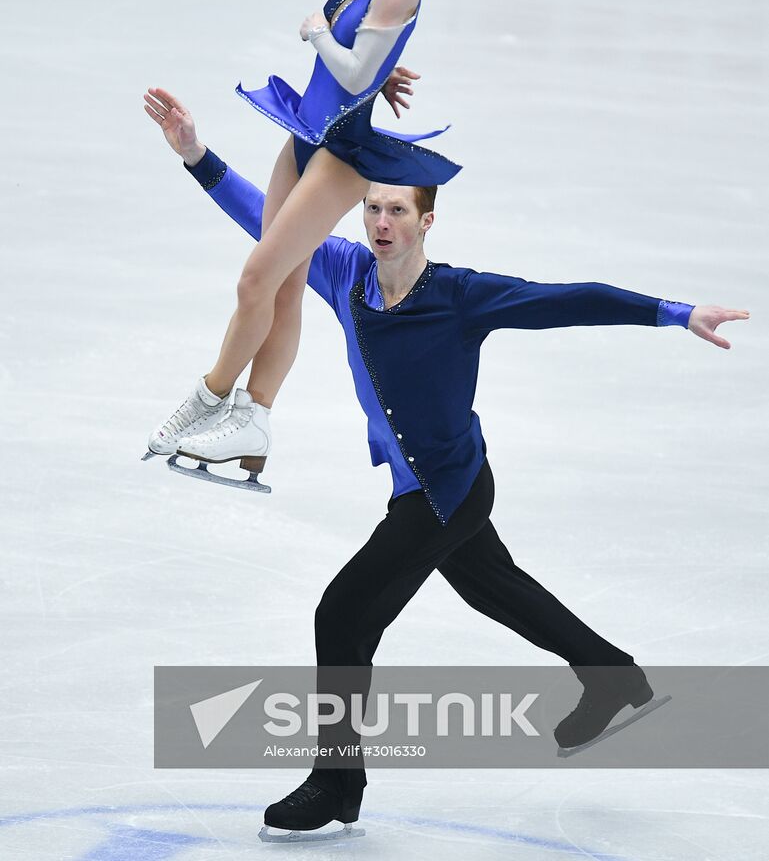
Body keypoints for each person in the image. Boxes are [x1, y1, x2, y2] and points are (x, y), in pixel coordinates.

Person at [145, 90, 749, 837]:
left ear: (426, 220)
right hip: (430, 484)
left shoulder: (460, 296)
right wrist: (195, 157)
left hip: (445, 491)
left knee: (341, 614)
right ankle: (609, 674)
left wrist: (673, 312)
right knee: (491, 588)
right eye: (372, 209)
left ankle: (336, 782)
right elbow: (270, 229)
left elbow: (567, 298)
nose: (382, 222)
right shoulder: (344, 274)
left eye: (398, 211)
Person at [144, 0, 459, 482]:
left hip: (342, 154)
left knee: (255, 277)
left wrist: (320, 35)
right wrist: (380, 65)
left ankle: (209, 398)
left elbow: (348, 73)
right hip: (303, 139)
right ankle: (254, 420)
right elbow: (364, 54)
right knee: (283, 284)